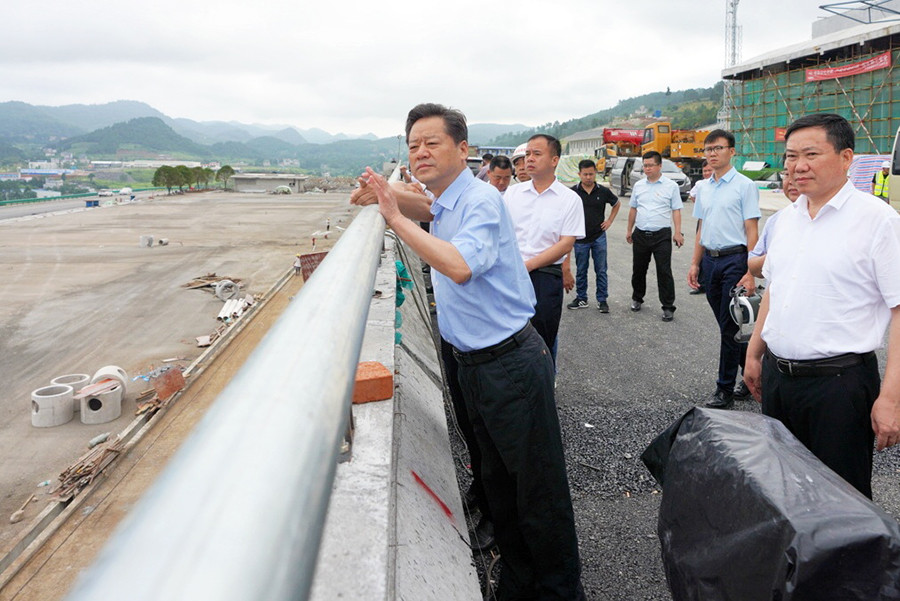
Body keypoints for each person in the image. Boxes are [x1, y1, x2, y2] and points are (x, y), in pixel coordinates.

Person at [354, 103, 585, 599]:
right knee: (498, 487)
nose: (420, 152)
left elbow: (458, 266)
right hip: (473, 367)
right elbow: (426, 209)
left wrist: (391, 214)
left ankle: (560, 591)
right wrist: (381, 193)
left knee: (537, 495)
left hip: (511, 365)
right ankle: (519, 583)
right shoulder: (446, 200)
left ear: (463, 149)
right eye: (413, 144)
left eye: (432, 143)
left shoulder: (479, 200)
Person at [744, 112, 900, 499]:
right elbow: (776, 290)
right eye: (790, 156)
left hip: (839, 388)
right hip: (780, 380)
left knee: (841, 501)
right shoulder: (784, 220)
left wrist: (891, 397)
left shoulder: (877, 220)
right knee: (783, 490)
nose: (797, 166)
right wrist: (754, 352)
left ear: (846, 158)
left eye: (810, 154)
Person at [688, 129, 760, 409]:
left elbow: (751, 230)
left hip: (734, 260)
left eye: (718, 148)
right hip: (710, 261)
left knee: (729, 327)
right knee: (726, 325)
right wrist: (695, 263)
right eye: (708, 149)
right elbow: (701, 229)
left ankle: (724, 390)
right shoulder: (704, 187)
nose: (712, 153)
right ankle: (755, 374)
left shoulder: (744, 186)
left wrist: (750, 271)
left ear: (732, 151)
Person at [504, 134, 585, 356]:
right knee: (507, 337)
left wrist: (528, 266)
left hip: (545, 277)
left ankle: (544, 384)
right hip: (510, 275)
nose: (529, 159)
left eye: (537, 154)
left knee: (541, 341)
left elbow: (565, 244)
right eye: (527, 154)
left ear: (554, 160)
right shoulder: (512, 194)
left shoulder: (569, 199)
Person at [625, 151, 684, 321]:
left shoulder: (671, 186)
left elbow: (676, 210)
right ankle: (637, 298)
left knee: (664, 271)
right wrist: (629, 230)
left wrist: (677, 232)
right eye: (645, 165)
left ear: (659, 166)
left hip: (662, 235)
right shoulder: (639, 186)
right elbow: (633, 208)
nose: (647, 168)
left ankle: (668, 306)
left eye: (651, 165)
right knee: (639, 269)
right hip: (641, 233)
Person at [567, 159, 620, 312]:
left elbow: (616, 204)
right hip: (580, 238)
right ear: (579, 174)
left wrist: (609, 220)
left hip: (599, 237)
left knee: (601, 269)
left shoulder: (603, 191)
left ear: (595, 173)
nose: (588, 177)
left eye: (591, 174)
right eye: (585, 174)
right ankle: (581, 298)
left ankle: (602, 300)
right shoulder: (573, 192)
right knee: (581, 269)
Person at [747, 168, 800, 277]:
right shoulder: (776, 220)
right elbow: (754, 266)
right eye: (786, 174)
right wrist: (778, 254)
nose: (791, 181)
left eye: (798, 174)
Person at [687, 161, 713, 294]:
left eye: (710, 170)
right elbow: (692, 196)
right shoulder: (700, 185)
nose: (707, 173)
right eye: (705, 171)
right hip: (704, 219)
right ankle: (701, 283)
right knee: (701, 251)